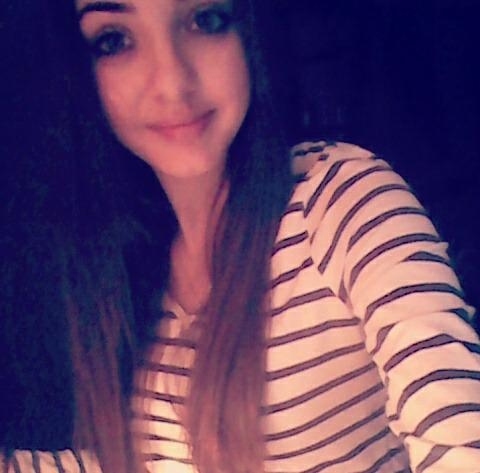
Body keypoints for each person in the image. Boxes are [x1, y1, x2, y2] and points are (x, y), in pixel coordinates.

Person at [1, 1, 479, 473]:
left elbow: (459, 432)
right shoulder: (136, 268)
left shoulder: (336, 198)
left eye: (205, 20)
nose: (172, 82)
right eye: (115, 41)